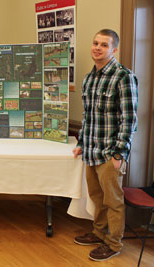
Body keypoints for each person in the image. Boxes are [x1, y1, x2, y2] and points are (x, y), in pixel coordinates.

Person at [73, 29, 138, 261]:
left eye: (104, 45)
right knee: (96, 197)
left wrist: (119, 153)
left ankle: (113, 243)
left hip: (110, 153)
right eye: (95, 43)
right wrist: (81, 142)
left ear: (114, 50)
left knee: (113, 200)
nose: (97, 48)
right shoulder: (90, 78)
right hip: (91, 149)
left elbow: (129, 119)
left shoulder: (123, 77)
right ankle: (99, 233)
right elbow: (88, 115)